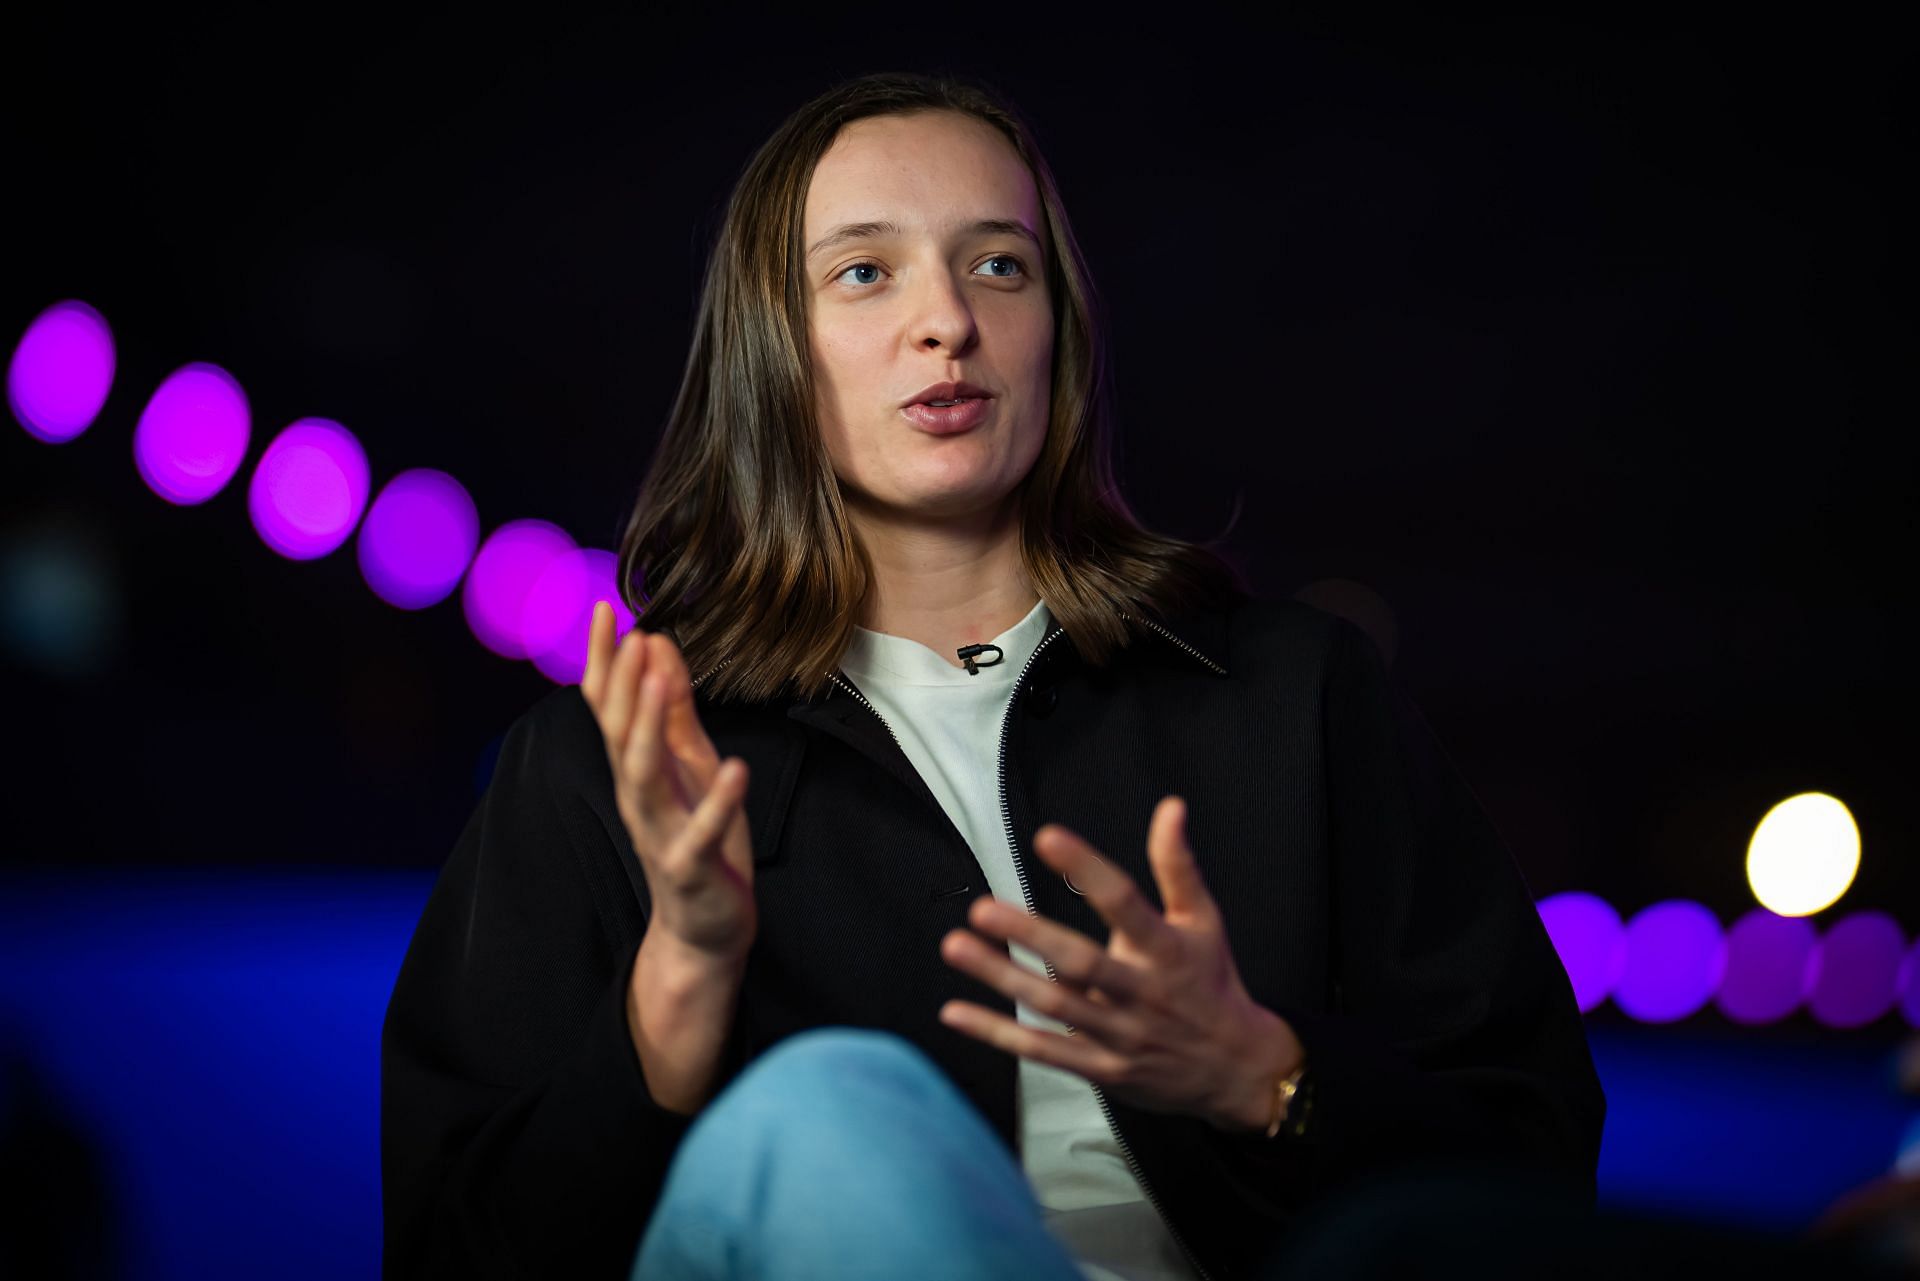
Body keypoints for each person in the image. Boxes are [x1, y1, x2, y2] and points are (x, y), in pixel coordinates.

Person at [380, 70, 1607, 1281]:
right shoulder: (609, 765)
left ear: (1058, 334)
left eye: (999, 265)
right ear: (772, 350)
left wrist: (1264, 1075)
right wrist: (677, 990)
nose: (948, 322)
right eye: (865, 272)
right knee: (822, 1107)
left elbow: (1532, 1168)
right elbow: (450, 1252)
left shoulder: (1296, 698)